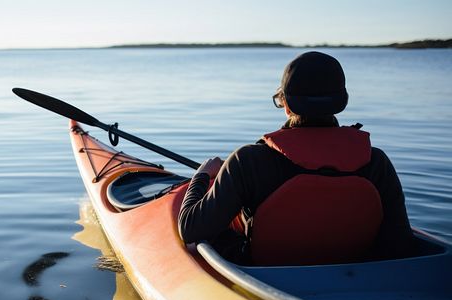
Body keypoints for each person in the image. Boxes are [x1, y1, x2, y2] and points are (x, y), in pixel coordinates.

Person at [177, 51, 415, 266]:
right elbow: (399, 243)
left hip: (265, 278)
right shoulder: (376, 162)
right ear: (341, 102)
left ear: (287, 105)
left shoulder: (247, 161)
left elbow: (190, 229)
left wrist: (202, 176)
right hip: (355, 278)